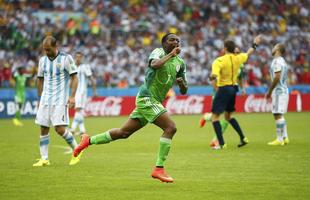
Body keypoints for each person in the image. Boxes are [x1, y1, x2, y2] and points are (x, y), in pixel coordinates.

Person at [73, 33, 188, 183]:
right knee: (170, 128)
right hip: (147, 97)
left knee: (124, 133)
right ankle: (159, 169)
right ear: (164, 43)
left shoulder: (180, 63)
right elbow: (154, 64)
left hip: (154, 101)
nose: (175, 42)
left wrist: (181, 84)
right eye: (172, 40)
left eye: (177, 41)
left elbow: (185, 90)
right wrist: (171, 55)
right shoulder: (158, 52)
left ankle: (88, 140)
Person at [33, 36, 82, 167]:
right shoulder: (42, 61)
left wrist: (72, 97)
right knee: (43, 128)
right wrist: (39, 98)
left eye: (48, 49)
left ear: (56, 47)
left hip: (60, 100)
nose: (46, 52)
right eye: (44, 50)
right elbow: (40, 79)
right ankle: (44, 158)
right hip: (45, 100)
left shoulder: (66, 59)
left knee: (59, 129)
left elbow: (75, 78)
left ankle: (77, 150)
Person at [210, 35, 262, 149]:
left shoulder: (219, 61)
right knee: (228, 116)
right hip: (234, 89)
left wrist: (215, 87)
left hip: (223, 88)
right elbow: (248, 53)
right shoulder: (239, 58)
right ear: (234, 49)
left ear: (224, 49)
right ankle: (243, 138)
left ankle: (222, 144)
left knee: (215, 117)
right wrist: (255, 44)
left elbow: (214, 76)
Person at [199, 46, 246, 148]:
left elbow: (240, 78)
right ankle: (206, 117)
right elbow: (213, 79)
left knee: (226, 118)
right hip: (220, 92)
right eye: (235, 52)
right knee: (217, 117)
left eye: (238, 53)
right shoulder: (221, 62)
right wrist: (218, 91)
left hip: (229, 92)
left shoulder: (239, 65)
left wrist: (242, 89)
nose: (236, 54)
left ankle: (216, 140)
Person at [265, 43, 289, 146]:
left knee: (277, 114)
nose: (273, 48)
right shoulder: (283, 61)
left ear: (278, 50)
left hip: (279, 91)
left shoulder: (277, 61)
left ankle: (279, 139)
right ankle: (285, 137)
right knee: (280, 114)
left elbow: (277, 76)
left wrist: (270, 91)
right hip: (283, 90)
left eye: (275, 46)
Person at [70, 51, 97, 136]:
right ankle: (82, 130)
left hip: (82, 91)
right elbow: (71, 79)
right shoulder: (72, 67)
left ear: (81, 58)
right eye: (76, 57)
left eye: (79, 57)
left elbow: (91, 78)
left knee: (78, 109)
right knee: (79, 110)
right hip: (75, 91)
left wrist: (94, 91)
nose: (78, 58)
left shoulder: (85, 67)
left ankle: (72, 128)